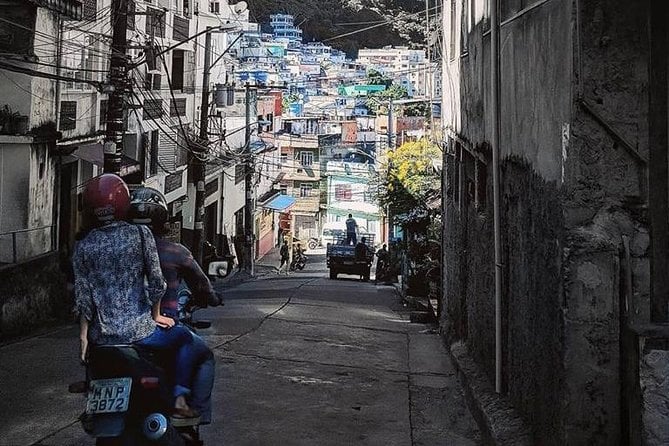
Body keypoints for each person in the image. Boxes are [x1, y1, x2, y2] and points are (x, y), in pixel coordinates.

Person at [73, 174, 199, 421]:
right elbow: (156, 282)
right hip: (140, 332)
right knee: (186, 339)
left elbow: (83, 297)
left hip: (102, 339)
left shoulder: (84, 245)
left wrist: (84, 337)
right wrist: (156, 315)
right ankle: (180, 401)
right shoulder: (140, 234)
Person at [128, 186, 222, 425]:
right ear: (163, 223)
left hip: (120, 330)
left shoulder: (116, 252)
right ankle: (191, 411)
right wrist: (211, 297)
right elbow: (202, 284)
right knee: (203, 355)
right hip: (160, 327)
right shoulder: (175, 251)